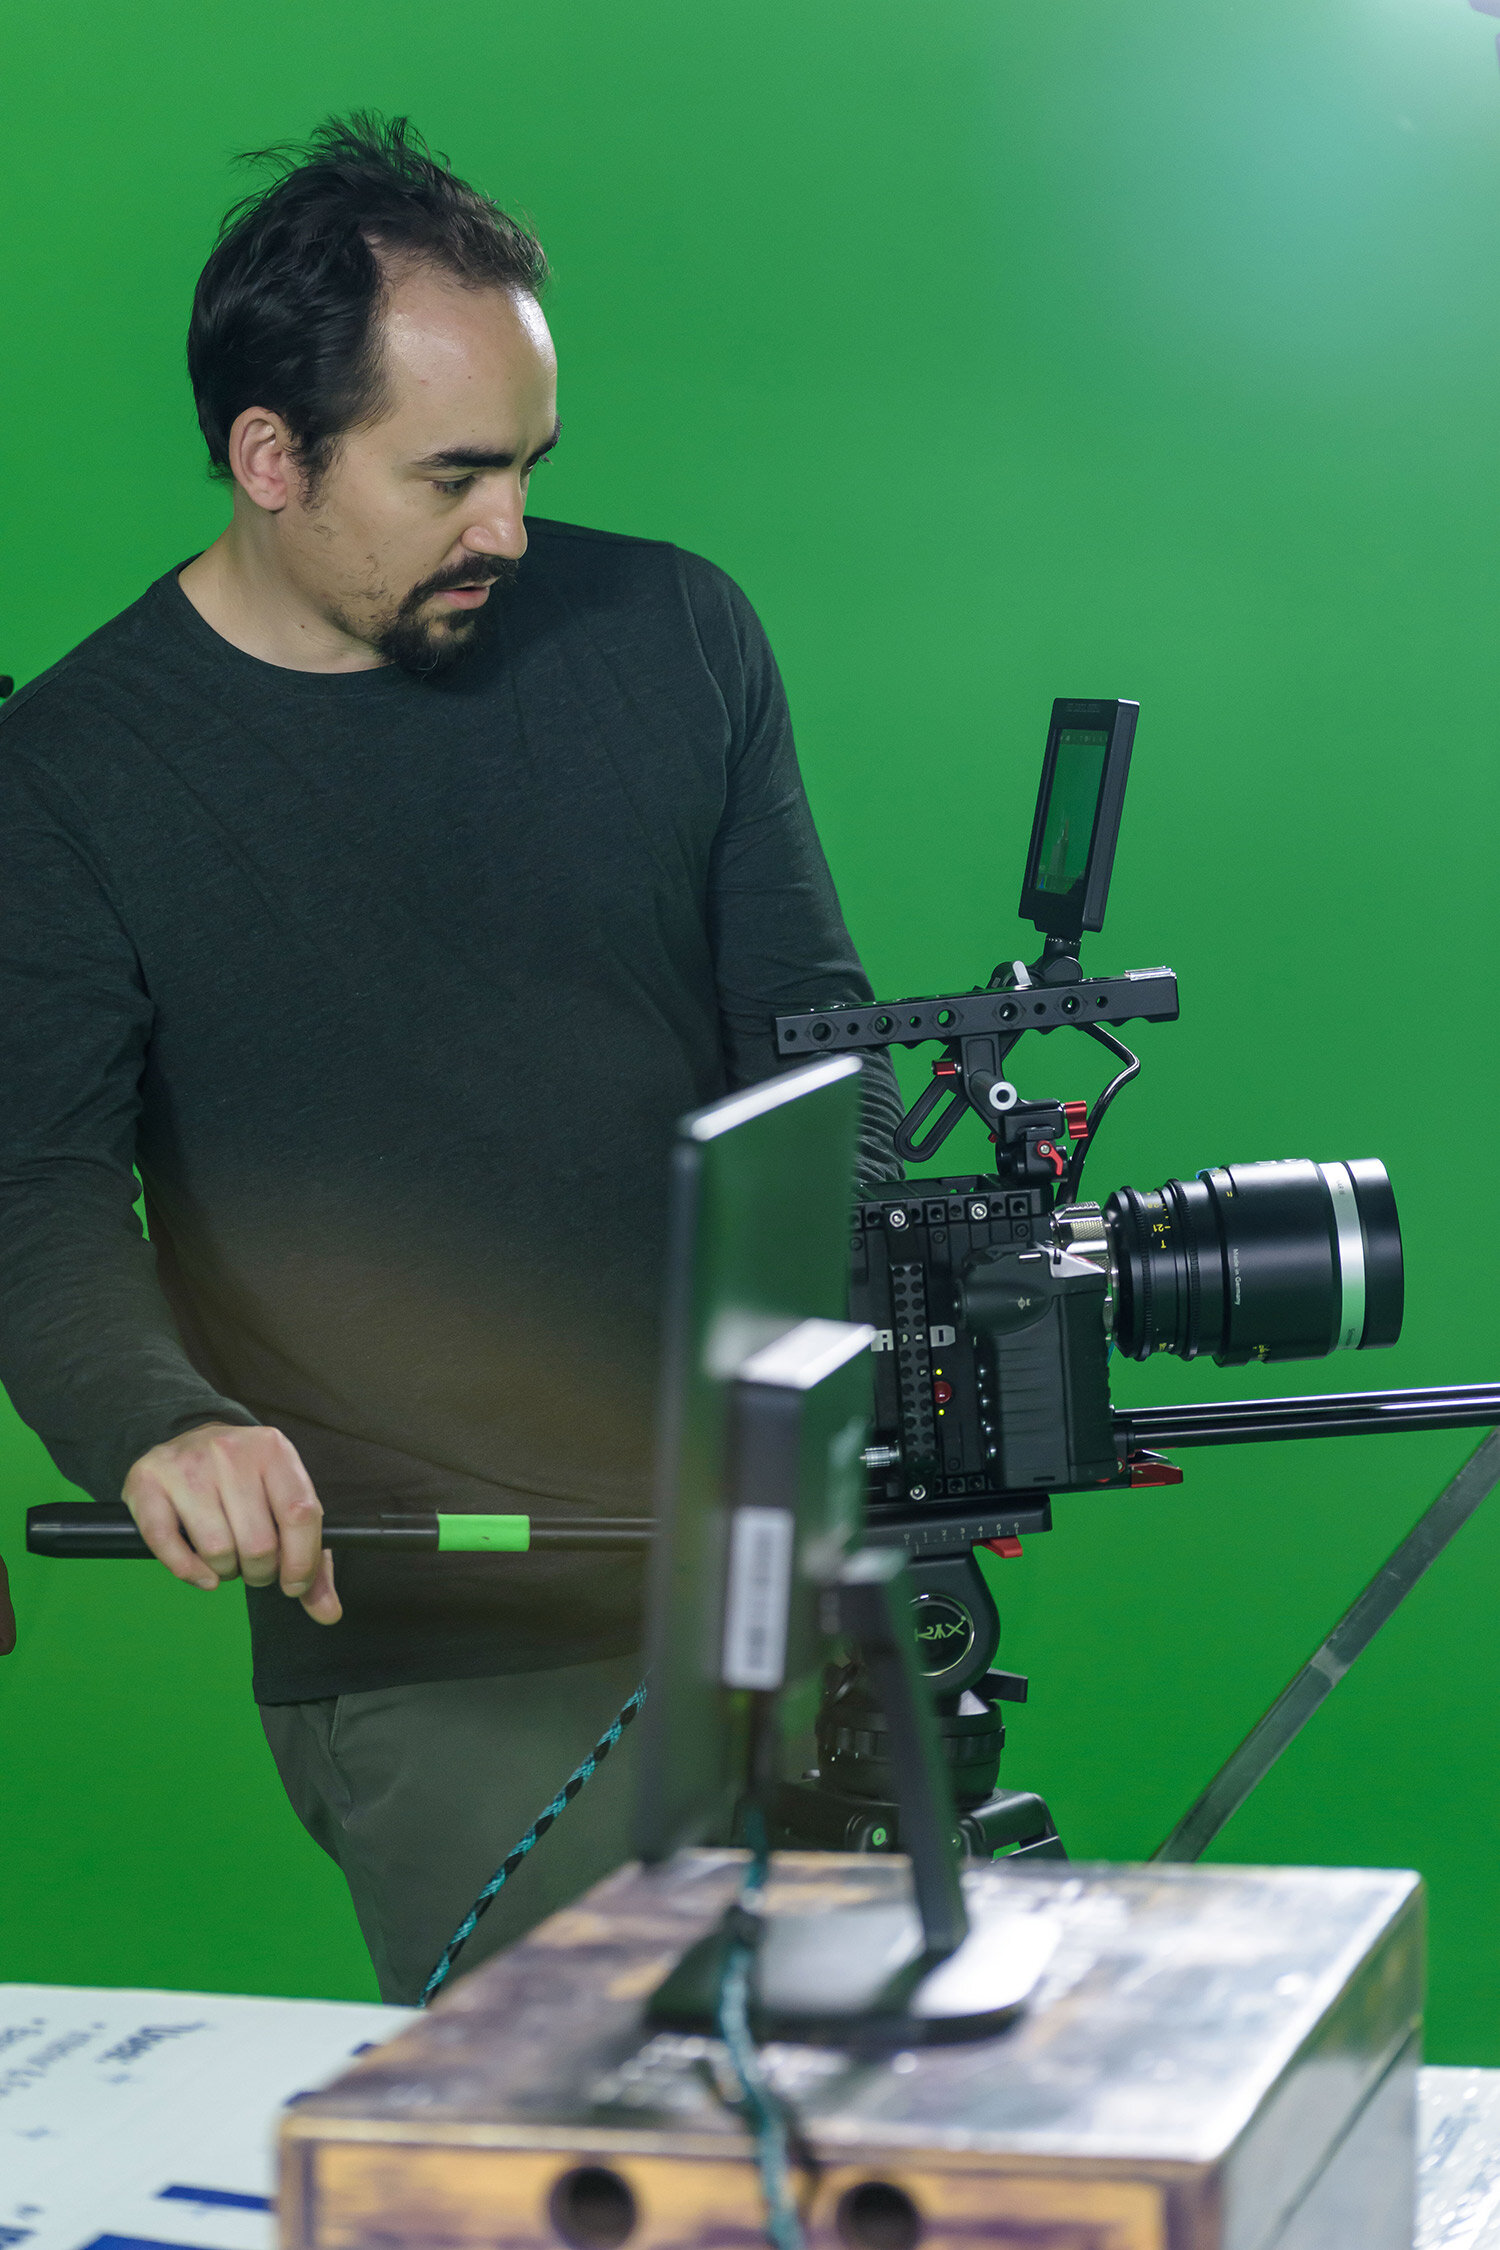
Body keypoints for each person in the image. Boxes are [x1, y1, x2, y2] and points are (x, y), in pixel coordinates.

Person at [0, 116, 902, 2004]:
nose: (510, 528)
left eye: (528, 463)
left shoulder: (676, 630)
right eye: (453, 475)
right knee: (596, 2137)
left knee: (897, 2115)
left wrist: (849, 1376)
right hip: (442, 1653)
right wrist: (159, 1422)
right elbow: (38, 1180)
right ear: (273, 458)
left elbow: (822, 1046)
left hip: (779, 1577)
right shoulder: (66, 778)